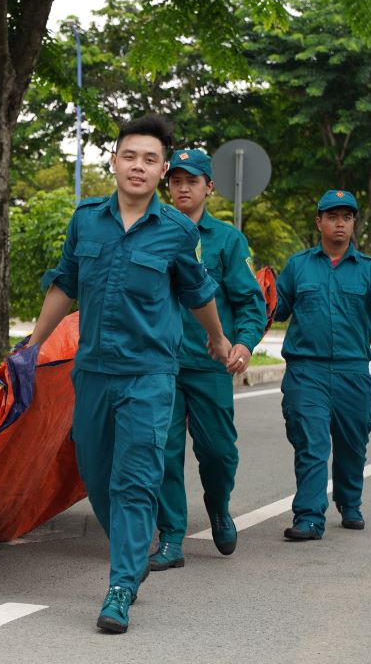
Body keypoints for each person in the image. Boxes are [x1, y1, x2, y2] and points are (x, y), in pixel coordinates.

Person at [26, 115, 231, 634]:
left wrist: (216, 337)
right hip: (92, 372)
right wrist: (32, 345)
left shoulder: (177, 231)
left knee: (135, 479)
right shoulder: (85, 221)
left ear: (162, 171)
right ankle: (133, 550)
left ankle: (120, 585)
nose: (138, 166)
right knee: (97, 475)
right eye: (130, 156)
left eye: (150, 159)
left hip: (149, 375)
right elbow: (64, 284)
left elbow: (198, 292)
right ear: (114, 161)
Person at [149, 150, 267, 571]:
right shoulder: (152, 232)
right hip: (159, 364)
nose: (183, 187)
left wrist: (245, 344)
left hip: (209, 364)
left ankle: (218, 507)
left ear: (209, 187)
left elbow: (250, 302)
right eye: (176, 180)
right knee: (162, 451)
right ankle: (172, 537)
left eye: (192, 181)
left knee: (219, 452)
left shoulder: (227, 240)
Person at [275, 189, 371, 541]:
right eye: (332, 216)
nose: (339, 223)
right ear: (319, 221)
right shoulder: (298, 265)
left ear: (353, 224)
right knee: (312, 442)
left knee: (352, 444)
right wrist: (257, 302)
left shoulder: (367, 269)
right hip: (307, 371)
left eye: (346, 217)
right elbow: (276, 308)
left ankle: (350, 501)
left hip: (352, 371)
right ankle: (308, 517)